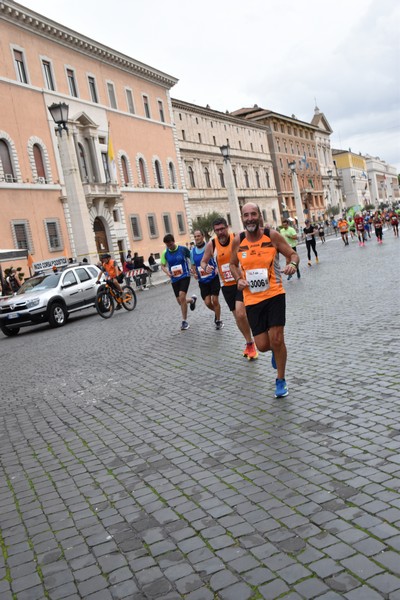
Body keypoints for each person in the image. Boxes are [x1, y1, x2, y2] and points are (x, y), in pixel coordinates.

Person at [230, 203, 300, 398]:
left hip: (275, 294)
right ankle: (276, 353)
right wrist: (238, 279)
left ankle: (280, 380)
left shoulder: (272, 236)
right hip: (252, 299)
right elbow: (232, 264)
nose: (250, 218)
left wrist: (292, 264)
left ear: (259, 216)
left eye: (253, 214)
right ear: (242, 218)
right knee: (262, 345)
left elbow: (293, 254)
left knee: (277, 338)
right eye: (246, 215)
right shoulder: (239, 240)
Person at [201, 217, 258, 360]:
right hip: (226, 285)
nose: (220, 232)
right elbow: (203, 261)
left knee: (240, 313)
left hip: (241, 281)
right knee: (238, 318)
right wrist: (205, 267)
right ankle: (249, 343)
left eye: (222, 229)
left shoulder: (237, 238)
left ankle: (255, 339)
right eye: (217, 230)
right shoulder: (212, 244)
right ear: (214, 231)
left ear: (227, 227)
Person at [160, 234, 196, 330]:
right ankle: (192, 300)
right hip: (174, 278)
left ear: (174, 241)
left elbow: (191, 257)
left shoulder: (183, 249)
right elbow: (162, 265)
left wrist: (193, 268)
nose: (170, 247)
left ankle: (184, 321)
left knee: (182, 296)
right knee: (180, 301)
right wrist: (167, 272)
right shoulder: (165, 253)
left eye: (171, 244)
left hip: (185, 276)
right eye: (168, 245)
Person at [190, 229, 223, 330]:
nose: (197, 238)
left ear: (203, 236)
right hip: (203, 281)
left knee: (215, 300)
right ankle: (216, 312)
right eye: (195, 237)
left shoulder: (209, 246)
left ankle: (218, 320)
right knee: (208, 302)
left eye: (198, 236)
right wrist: (194, 273)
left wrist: (217, 268)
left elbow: (216, 258)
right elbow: (193, 265)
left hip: (213, 278)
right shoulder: (192, 252)